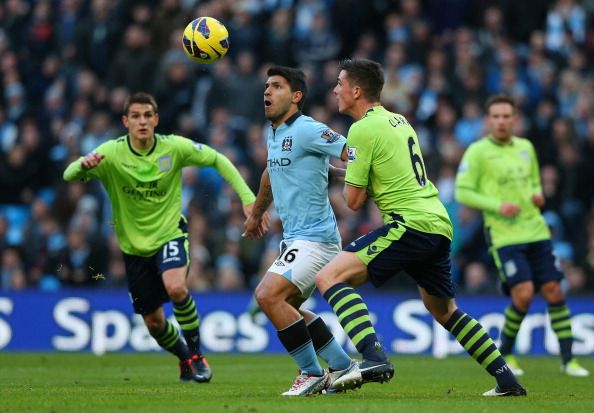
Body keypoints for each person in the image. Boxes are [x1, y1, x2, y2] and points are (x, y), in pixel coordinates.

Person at [314, 59, 526, 396]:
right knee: (444, 309)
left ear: (356, 90)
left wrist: (332, 174)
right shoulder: (399, 121)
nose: (335, 90)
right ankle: (507, 381)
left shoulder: (361, 130)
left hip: (408, 224)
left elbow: (353, 201)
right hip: (437, 222)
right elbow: (383, 172)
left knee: (329, 277)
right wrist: (348, 170)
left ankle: (372, 356)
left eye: (339, 83)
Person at [63, 92, 266, 383]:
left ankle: (197, 356)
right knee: (155, 323)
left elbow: (218, 159)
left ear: (156, 119)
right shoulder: (110, 153)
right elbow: (68, 176)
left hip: (170, 234)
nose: (142, 121)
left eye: (148, 115)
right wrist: (82, 165)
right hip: (134, 249)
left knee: (177, 289)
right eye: (136, 116)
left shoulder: (174, 148)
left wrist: (248, 198)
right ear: (125, 121)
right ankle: (184, 357)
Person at [455, 94, 590, 378]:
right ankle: (507, 352)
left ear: (515, 119)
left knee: (554, 290)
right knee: (525, 293)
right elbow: (462, 192)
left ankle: (569, 360)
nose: (502, 121)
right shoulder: (478, 152)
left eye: (507, 116)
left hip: (536, 230)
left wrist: (535, 194)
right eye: (496, 116)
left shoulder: (526, 147)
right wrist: (497, 205)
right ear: (488, 120)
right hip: (505, 236)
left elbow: (532, 182)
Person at [243, 65, 356, 396]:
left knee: (266, 295)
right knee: (287, 306)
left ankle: (311, 373)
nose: (267, 92)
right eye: (266, 86)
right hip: (296, 238)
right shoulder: (274, 133)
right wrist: (256, 214)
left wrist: (362, 177)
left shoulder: (307, 129)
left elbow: (353, 152)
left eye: (276, 86)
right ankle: (342, 365)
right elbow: (270, 173)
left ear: (295, 96)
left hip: (316, 239)